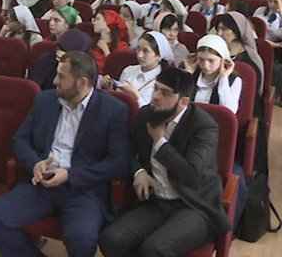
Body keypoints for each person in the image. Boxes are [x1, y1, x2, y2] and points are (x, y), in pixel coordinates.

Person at [0, 51, 129, 257]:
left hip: (83, 190)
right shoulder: (45, 100)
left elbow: (119, 163)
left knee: (82, 239)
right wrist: (35, 163)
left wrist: (70, 175)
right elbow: (20, 139)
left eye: (61, 76)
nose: (54, 81)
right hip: (41, 183)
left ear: (81, 82)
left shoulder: (113, 110)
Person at [99, 67, 231, 257]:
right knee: (110, 239)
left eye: (165, 93)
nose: (155, 96)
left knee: (155, 249)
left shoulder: (203, 126)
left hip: (193, 205)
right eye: (155, 89)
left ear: (183, 101)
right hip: (156, 201)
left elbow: (190, 173)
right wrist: (139, 172)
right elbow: (126, 151)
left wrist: (160, 142)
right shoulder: (146, 115)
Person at [103, 31, 173, 108]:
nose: (140, 55)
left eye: (146, 51)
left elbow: (155, 111)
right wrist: (109, 88)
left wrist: (136, 96)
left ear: (159, 56)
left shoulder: (164, 81)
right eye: (138, 49)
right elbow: (117, 101)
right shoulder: (128, 70)